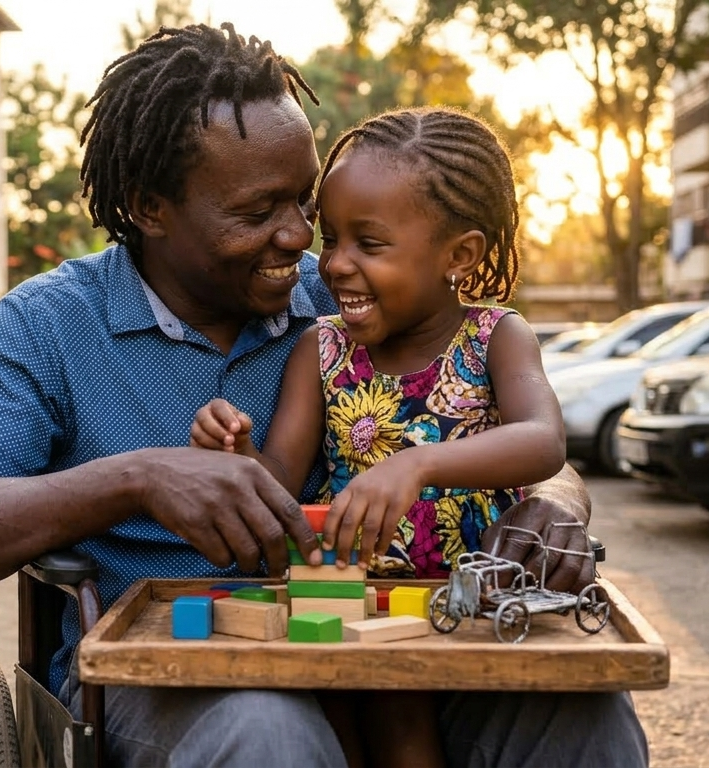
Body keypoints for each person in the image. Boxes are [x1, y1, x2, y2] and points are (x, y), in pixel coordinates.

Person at [0, 23, 647, 768]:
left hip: (401, 631)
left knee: (586, 722)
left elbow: (505, 423)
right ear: (150, 207)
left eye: (305, 203)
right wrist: (139, 477)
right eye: (259, 212)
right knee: (270, 734)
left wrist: (553, 502)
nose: (299, 237)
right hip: (169, 667)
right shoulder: (49, 324)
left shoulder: (353, 292)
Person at [190, 105, 567, 768]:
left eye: (370, 243)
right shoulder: (321, 350)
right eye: (331, 238)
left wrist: (418, 465)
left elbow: (543, 440)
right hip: (352, 603)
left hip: (475, 607)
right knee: (353, 727)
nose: (334, 264)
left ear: (459, 255)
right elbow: (279, 481)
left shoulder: (496, 338)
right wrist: (237, 454)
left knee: (410, 734)